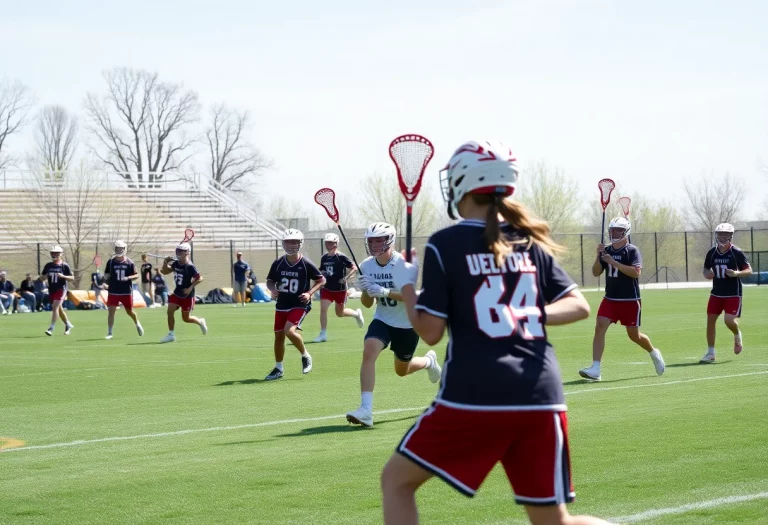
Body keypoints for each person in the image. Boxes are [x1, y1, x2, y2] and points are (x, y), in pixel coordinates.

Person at [379, 140, 613, 525]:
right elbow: (579, 305)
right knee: (556, 522)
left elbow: (430, 332)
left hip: (475, 393)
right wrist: (527, 313)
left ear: (461, 183)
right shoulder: (527, 239)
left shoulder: (445, 243)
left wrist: (407, 286)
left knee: (397, 481)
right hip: (541, 394)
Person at [345, 222, 441, 428]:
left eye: (378, 239)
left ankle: (428, 362)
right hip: (383, 319)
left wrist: (385, 291)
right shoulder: (367, 265)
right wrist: (365, 290)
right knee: (369, 351)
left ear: (389, 240)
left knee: (402, 370)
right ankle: (366, 410)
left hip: (407, 323)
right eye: (371, 240)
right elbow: (368, 303)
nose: (373, 244)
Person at [578, 217, 665, 381]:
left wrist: (614, 263)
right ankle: (596, 368)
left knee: (634, 335)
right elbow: (596, 272)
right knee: (600, 326)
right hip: (610, 299)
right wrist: (598, 256)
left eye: (619, 230)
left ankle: (654, 352)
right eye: (612, 230)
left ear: (626, 232)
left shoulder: (632, 250)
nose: (615, 233)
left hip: (630, 300)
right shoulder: (607, 250)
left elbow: (636, 272)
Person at [264, 229, 326, 380]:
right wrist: (272, 290)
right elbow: (270, 280)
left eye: (294, 242)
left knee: (289, 331)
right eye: (288, 241)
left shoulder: (305, 263)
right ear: (283, 243)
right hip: (282, 303)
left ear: (300, 243)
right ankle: (279, 368)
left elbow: (321, 280)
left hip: (299, 304)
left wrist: (309, 293)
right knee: (278, 337)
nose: (291, 245)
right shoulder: (278, 263)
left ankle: (305, 355)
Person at [700, 223, 752, 363]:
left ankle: (736, 334)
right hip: (716, 293)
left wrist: (736, 273)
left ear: (731, 236)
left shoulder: (736, 252)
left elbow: (749, 271)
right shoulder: (712, 252)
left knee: (728, 320)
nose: (722, 237)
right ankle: (711, 353)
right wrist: (707, 274)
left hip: (733, 293)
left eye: (725, 234)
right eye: (720, 234)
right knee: (710, 321)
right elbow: (705, 269)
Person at [313, 232, 365, 342]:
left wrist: (346, 278)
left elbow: (354, 268)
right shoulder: (324, 258)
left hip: (340, 289)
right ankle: (323, 334)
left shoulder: (341, 257)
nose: (328, 245)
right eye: (327, 243)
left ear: (336, 244)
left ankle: (356, 314)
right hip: (327, 288)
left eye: (330, 243)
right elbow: (322, 271)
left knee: (340, 313)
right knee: (323, 309)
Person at [159, 243, 207, 342]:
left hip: (187, 295)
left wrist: (190, 288)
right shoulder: (176, 263)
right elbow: (164, 272)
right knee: (170, 311)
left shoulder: (190, 266)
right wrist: (165, 262)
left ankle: (200, 321)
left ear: (187, 252)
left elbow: (200, 278)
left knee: (186, 319)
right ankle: (171, 334)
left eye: (181, 251)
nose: (179, 253)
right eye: (178, 250)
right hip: (177, 293)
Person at [104, 240, 144, 340]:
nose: (118, 250)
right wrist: (106, 277)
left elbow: (136, 275)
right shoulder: (111, 262)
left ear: (124, 249)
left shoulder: (129, 262)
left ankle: (137, 323)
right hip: (113, 290)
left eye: (120, 249)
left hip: (126, 291)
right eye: (117, 248)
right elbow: (106, 274)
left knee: (129, 311)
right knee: (111, 311)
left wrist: (128, 278)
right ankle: (110, 332)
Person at [41, 245, 75, 336]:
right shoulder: (48, 265)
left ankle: (51, 328)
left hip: (61, 289)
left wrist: (63, 276)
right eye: (53, 253)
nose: (54, 254)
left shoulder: (64, 266)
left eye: (56, 253)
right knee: (59, 309)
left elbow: (72, 278)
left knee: (55, 306)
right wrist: (43, 277)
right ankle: (68, 324)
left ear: (61, 254)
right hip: (52, 289)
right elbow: (42, 277)